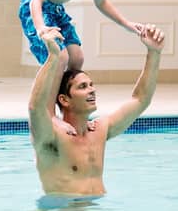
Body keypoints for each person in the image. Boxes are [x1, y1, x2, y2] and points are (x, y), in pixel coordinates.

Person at [27, 22, 165, 197]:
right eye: (83, 86)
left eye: (91, 85)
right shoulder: (52, 137)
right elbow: (35, 108)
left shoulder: (99, 130)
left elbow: (140, 100)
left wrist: (154, 53)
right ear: (64, 100)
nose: (92, 90)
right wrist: (53, 57)